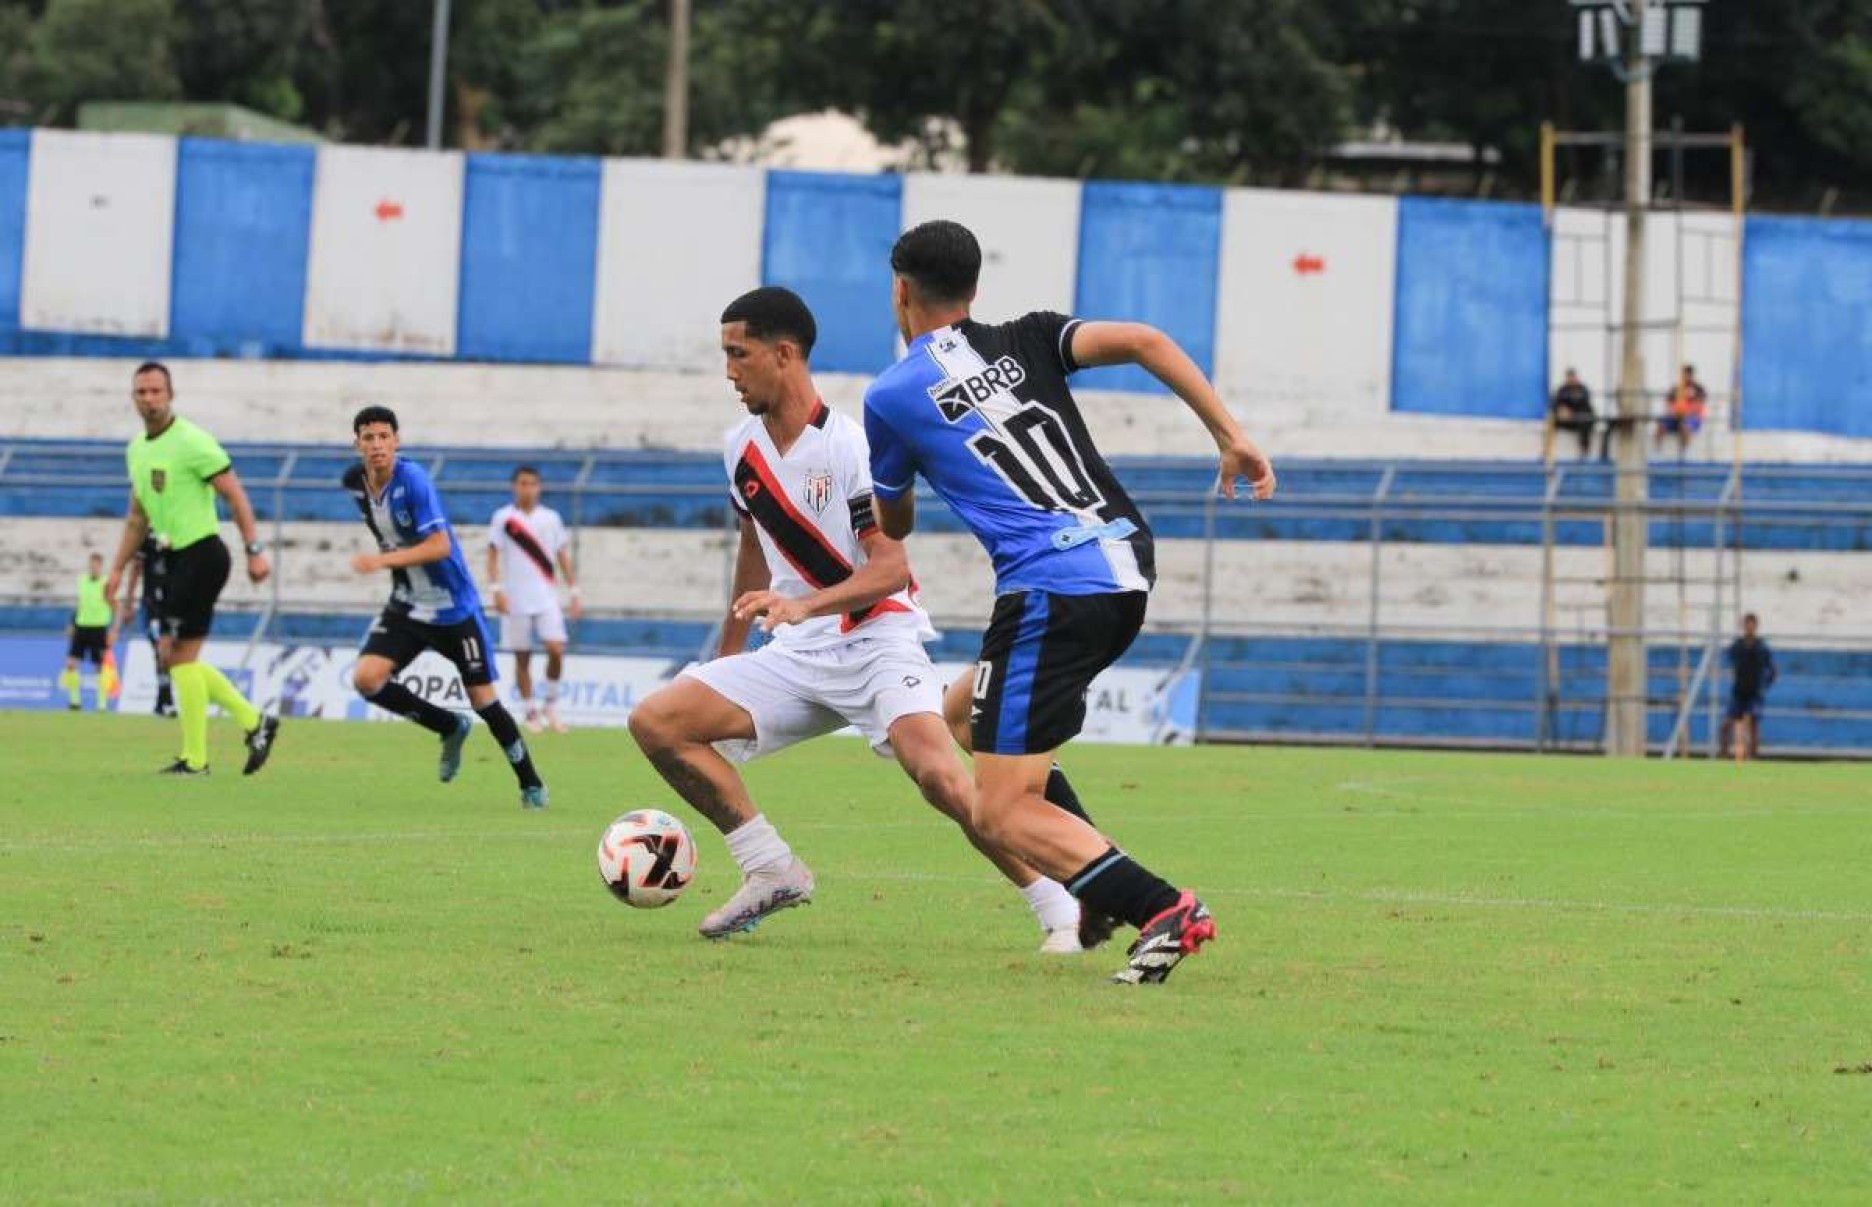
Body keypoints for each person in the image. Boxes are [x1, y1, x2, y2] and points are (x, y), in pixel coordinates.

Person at [863, 220, 1276, 984]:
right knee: (961, 714)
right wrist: (1231, 436)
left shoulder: (889, 396)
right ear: (975, 290)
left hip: (1049, 586)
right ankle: (1097, 888)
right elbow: (1149, 339)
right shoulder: (1031, 336)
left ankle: (1163, 908)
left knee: (997, 811)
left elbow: (893, 522)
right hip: (1122, 563)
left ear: (901, 290)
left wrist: (904, 483)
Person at [627, 286, 1089, 952]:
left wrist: (804, 604)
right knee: (658, 722)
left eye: (739, 353)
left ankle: (1057, 906)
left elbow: (889, 569)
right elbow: (753, 547)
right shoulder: (740, 447)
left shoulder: (852, 446)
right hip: (798, 652)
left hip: (878, 637)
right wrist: (725, 654)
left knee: (938, 774)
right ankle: (769, 865)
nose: (729, 369)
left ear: (784, 354)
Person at [344, 405, 549, 809]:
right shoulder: (355, 483)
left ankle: (530, 782)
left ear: (397, 441)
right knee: (366, 679)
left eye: (384, 436)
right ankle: (448, 726)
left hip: (454, 608)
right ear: (357, 445)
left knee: (485, 702)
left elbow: (438, 546)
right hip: (407, 605)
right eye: (368, 438)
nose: (377, 445)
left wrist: (381, 560)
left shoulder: (414, 481)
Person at [103, 362, 278, 775]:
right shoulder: (136, 450)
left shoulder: (193, 442)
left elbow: (235, 496)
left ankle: (202, 755)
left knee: (177, 655)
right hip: (171, 561)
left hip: (202, 555)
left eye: (155, 391)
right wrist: (115, 570)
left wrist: (255, 550)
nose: (148, 399)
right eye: (141, 392)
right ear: (133, 398)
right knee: (176, 657)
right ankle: (252, 723)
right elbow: (136, 518)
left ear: (170, 394)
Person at [486, 466, 581, 733]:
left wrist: (574, 592)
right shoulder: (503, 518)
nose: (527, 488)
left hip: (546, 597)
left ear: (539, 487)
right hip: (516, 598)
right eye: (523, 483)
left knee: (556, 649)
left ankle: (550, 703)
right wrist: (496, 589)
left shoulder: (551, 518)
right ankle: (530, 710)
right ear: (514, 486)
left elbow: (562, 555)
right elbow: (493, 554)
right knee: (522, 657)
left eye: (532, 484)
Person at [120, 537, 175, 716]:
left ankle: (163, 701)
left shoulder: (178, 533)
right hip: (152, 606)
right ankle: (166, 700)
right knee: (160, 650)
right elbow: (136, 568)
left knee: (169, 653)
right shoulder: (148, 537)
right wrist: (129, 602)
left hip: (174, 603)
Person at [59, 553, 114, 711]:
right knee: (71, 663)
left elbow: (114, 605)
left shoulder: (106, 584)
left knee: (100, 666)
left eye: (96, 566)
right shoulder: (82, 581)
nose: (93, 568)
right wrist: (72, 623)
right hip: (82, 626)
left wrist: (112, 629)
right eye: (91, 565)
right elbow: (80, 603)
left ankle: (102, 703)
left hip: (99, 627)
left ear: (101, 567)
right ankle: (74, 701)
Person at [1723, 613, 1776, 764]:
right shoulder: (1737, 646)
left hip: (1754, 693)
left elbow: (1773, 669)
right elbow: (1730, 660)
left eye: (1752, 624)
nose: (1749, 627)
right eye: (1747, 624)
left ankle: (1752, 757)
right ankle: (1724, 758)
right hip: (1739, 691)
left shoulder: (1762, 647)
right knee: (1726, 725)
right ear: (1743, 626)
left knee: (1751, 723)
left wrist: (1764, 685)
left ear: (1756, 626)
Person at [1656, 363, 1707, 452]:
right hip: (1676, 416)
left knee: (1685, 427)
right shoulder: (1676, 388)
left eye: (1686, 374)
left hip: (1691, 417)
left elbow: (1700, 405)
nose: (1684, 377)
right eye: (1683, 374)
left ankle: (1684, 450)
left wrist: (1687, 412)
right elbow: (1668, 403)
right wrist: (1673, 411)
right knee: (1661, 425)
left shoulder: (1698, 389)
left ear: (1691, 375)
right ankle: (1658, 449)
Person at [1551, 369, 1600, 460]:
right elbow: (1555, 404)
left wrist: (1572, 412)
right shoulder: (1562, 390)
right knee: (1551, 420)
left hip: (1581, 419)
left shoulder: (1582, 389)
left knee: (1585, 421)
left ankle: (1584, 451)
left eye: (1573, 377)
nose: (1571, 379)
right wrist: (1561, 410)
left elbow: (1586, 406)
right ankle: (1548, 450)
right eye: (1569, 377)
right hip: (1566, 420)